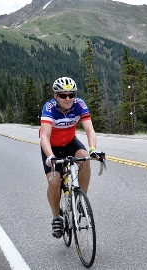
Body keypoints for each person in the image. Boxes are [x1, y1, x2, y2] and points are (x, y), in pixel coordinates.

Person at [40, 76, 98, 239]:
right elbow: (44, 136)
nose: (68, 99)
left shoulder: (79, 105)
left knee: (84, 158)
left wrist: (93, 149)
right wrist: (50, 155)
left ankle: (81, 201)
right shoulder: (49, 107)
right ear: (56, 96)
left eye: (71, 95)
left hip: (70, 142)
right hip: (51, 146)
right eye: (63, 95)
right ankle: (56, 217)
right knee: (54, 181)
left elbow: (89, 130)